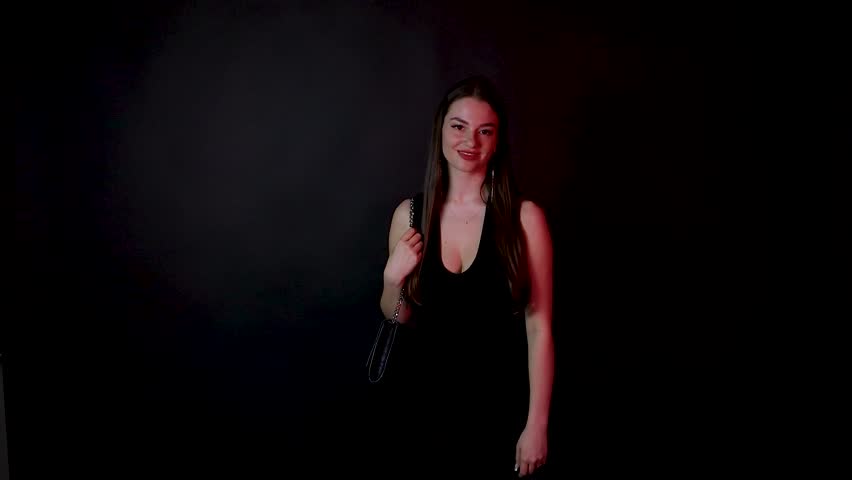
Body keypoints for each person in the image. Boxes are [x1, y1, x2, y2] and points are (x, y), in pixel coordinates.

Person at [379, 75, 554, 478]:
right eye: (459, 127)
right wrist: (392, 280)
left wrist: (537, 425)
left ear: (497, 141)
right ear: (441, 128)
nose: (470, 141)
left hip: (500, 417)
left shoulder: (525, 220)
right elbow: (397, 317)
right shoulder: (409, 215)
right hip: (420, 415)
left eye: (484, 131)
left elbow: (540, 328)